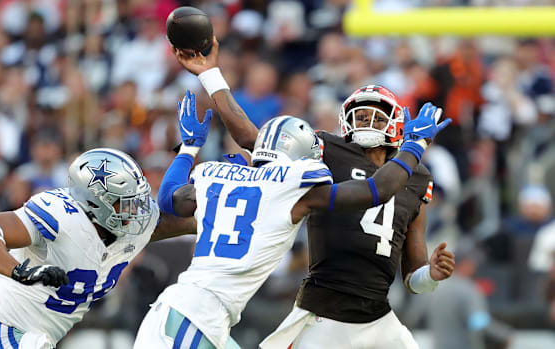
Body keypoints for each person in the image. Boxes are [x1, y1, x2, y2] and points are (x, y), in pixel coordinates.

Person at [174, 39, 456, 349]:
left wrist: (431, 273)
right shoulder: (329, 151)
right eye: (360, 115)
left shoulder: (417, 178)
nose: (366, 122)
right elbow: (254, 139)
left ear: (397, 123)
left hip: (378, 317)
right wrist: (212, 75)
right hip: (325, 312)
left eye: (376, 116)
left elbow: (413, 279)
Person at [0, 147, 196, 349]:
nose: (134, 211)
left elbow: (197, 222)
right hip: (0, 332)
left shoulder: (130, 228)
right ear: (95, 202)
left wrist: (189, 153)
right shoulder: (61, 216)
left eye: (135, 200)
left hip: (36, 340)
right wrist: (20, 271)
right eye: (124, 202)